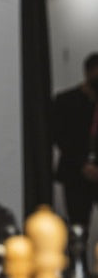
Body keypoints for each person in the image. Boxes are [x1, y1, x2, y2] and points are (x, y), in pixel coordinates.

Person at [52, 52, 98, 227]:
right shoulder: (65, 101)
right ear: (87, 72)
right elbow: (60, 136)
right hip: (75, 174)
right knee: (78, 227)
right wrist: (83, 164)